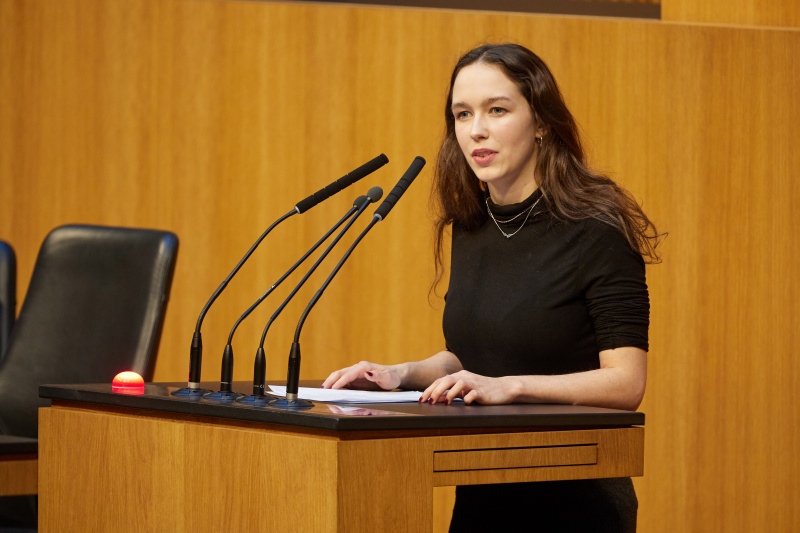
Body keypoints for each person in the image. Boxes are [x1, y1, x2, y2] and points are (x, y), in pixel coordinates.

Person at [322, 43, 661, 532]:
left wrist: (511, 386)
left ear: (541, 122)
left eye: (496, 110)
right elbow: (473, 359)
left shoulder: (596, 228)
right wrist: (400, 374)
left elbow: (626, 384)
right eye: (463, 114)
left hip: (573, 493)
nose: (476, 129)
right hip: (484, 486)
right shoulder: (472, 225)